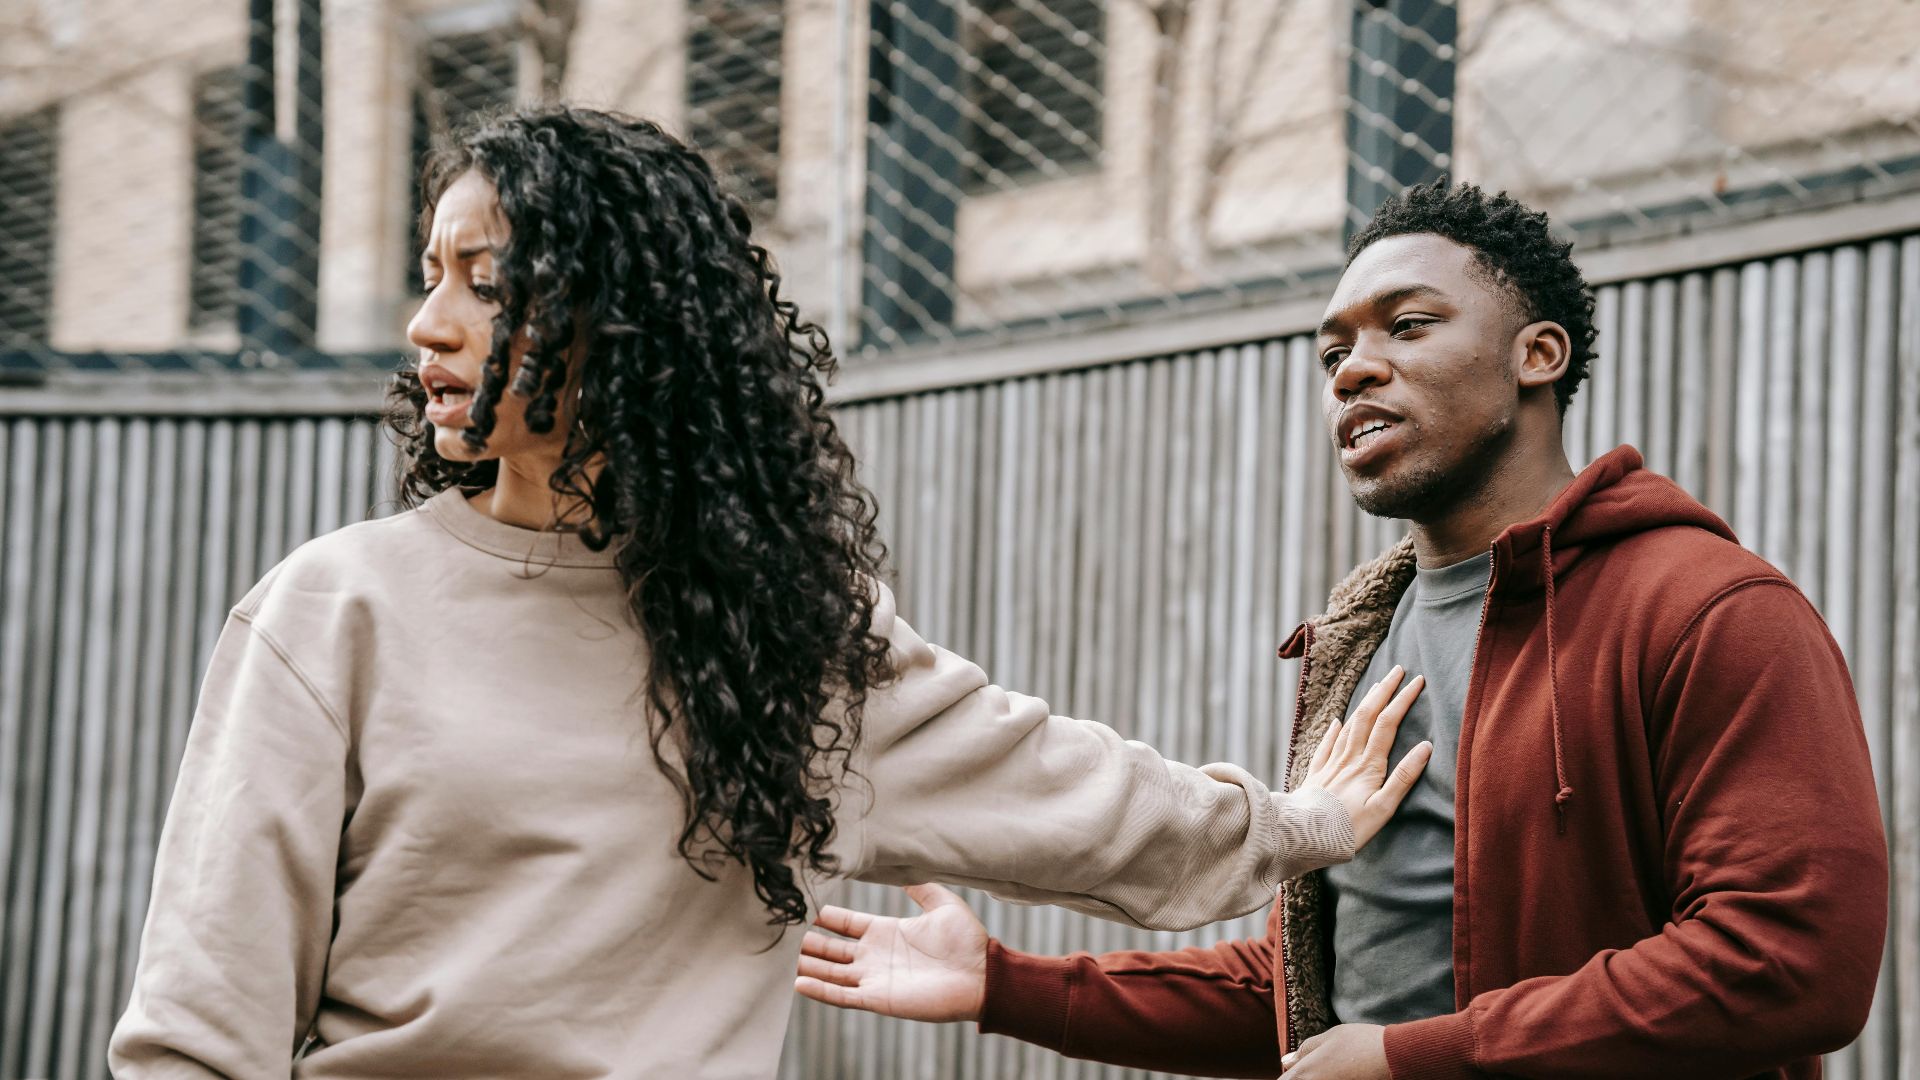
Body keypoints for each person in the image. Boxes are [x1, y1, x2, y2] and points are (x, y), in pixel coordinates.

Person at [107, 105, 1434, 1079]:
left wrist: (1298, 824)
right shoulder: (333, 612)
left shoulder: (780, 644)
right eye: (430, 274)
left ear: (621, 318)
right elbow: (195, 1033)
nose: (426, 324)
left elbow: (1074, 795)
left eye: (487, 281)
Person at [795, 182, 1889, 1080]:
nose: (1354, 369)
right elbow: (1317, 989)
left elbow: (1793, 959)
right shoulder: (1366, 638)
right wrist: (1003, 982)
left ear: (1538, 355)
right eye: (1333, 355)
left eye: (1408, 327)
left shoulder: (1708, 610)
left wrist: (1418, 1058)